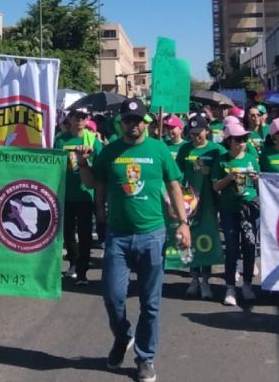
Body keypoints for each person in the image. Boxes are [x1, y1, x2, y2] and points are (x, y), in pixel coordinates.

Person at [75, 98, 188, 382]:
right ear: (121, 122)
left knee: (151, 303)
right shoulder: (110, 151)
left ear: (145, 122)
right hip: (118, 236)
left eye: (138, 120)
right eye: (128, 119)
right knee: (113, 297)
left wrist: (183, 222)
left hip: (153, 234)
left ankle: (145, 357)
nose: (133, 124)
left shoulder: (159, 149)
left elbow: (174, 186)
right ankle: (123, 335)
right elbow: (94, 183)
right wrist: (83, 163)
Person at [211, 122, 261, 307]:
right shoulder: (222, 160)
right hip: (229, 210)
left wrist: (256, 179)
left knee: (249, 246)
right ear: (229, 141)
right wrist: (229, 178)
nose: (242, 143)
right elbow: (215, 186)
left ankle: (247, 284)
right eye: (238, 139)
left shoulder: (251, 158)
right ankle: (230, 287)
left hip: (250, 209)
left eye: (245, 139)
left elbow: (260, 184)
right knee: (231, 248)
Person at [176, 114, 225, 299]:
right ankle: (194, 278)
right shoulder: (184, 149)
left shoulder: (216, 150)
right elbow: (178, 174)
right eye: (192, 133)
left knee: (208, 239)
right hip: (190, 202)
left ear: (207, 131)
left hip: (210, 200)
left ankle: (206, 280)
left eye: (199, 133)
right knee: (191, 239)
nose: (196, 137)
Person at [54, 107, 103, 285]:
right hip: (65, 194)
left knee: (85, 234)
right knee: (67, 234)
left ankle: (82, 270)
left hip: (85, 194)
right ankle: (73, 263)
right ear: (70, 118)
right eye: (77, 116)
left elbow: (100, 163)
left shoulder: (91, 139)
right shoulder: (61, 140)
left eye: (83, 117)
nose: (80, 120)